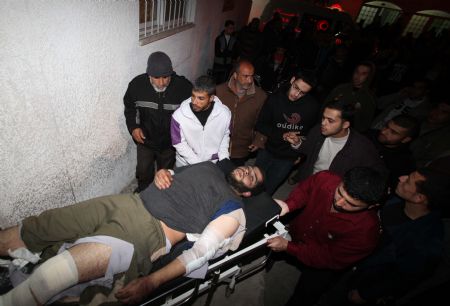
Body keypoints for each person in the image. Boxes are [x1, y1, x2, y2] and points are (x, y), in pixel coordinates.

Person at [0, 162, 265, 305]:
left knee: (53, 275)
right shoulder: (209, 166)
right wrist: (164, 172)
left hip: (148, 230)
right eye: (250, 166)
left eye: (253, 176)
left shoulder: (234, 209)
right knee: (41, 226)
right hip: (127, 201)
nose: (248, 169)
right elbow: (173, 173)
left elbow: (200, 253)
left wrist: (153, 282)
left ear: (247, 192)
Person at [319, 168, 449, 306]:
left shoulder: (425, 242)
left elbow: (405, 277)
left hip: (359, 279)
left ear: (419, 198)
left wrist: (366, 293)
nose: (401, 178)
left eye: (408, 181)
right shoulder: (395, 199)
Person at [267, 167, 387, 306]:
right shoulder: (325, 179)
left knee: (305, 295)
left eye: (351, 204)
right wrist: (289, 205)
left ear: (373, 206)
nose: (339, 203)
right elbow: (305, 190)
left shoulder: (366, 233)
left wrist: (288, 247)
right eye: (339, 193)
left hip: (322, 265)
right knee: (275, 249)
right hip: (297, 231)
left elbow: (328, 257)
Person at [124, 51, 192, 192]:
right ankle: (143, 191)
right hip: (145, 140)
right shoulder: (137, 85)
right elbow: (130, 108)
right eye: (156, 78)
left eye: (165, 77)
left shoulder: (183, 87)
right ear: (149, 74)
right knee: (143, 171)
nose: (161, 83)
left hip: (169, 142)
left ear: (171, 73)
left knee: (165, 173)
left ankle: (161, 196)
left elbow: (191, 113)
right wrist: (133, 127)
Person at [288, 98, 386, 186]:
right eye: (323, 118)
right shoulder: (318, 130)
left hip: (330, 192)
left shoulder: (362, 147)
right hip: (308, 181)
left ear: (345, 124)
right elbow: (308, 150)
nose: (323, 123)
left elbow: (378, 173)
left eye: (330, 121)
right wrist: (297, 143)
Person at [251, 71, 320, 195]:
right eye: (296, 88)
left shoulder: (312, 107)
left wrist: (301, 152)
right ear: (292, 80)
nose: (296, 94)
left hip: (288, 157)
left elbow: (311, 135)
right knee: (253, 182)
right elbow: (261, 124)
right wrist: (280, 135)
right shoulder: (274, 98)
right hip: (267, 149)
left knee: (269, 188)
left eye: (302, 93)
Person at [171, 75, 231, 167]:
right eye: (193, 96)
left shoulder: (225, 114)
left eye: (201, 98)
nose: (194, 102)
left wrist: (224, 158)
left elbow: (225, 135)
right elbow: (178, 143)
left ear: (211, 98)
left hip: (212, 163)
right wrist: (199, 165)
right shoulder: (179, 115)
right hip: (185, 165)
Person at [216, 60, 267, 166]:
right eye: (245, 76)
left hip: (241, 148)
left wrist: (259, 140)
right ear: (235, 75)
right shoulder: (219, 91)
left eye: (251, 76)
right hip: (217, 146)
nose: (250, 80)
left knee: (236, 178)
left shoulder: (260, 96)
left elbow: (265, 121)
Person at [367, 115, 419, 190]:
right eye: (386, 126)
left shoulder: (403, 163)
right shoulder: (369, 135)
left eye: (393, 132)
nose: (384, 132)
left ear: (405, 139)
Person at [325, 61, 376, 133]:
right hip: (326, 127)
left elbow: (365, 125)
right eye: (357, 72)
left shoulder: (368, 99)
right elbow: (324, 106)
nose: (358, 76)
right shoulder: (340, 88)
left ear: (369, 77)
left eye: (363, 74)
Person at [213, 20, 238, 84]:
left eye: (233, 28)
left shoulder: (234, 40)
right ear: (226, 28)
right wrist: (229, 52)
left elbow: (234, 53)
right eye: (230, 28)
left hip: (228, 65)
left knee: (224, 82)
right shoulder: (219, 38)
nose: (232, 30)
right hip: (218, 64)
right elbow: (217, 53)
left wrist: (223, 51)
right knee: (215, 82)